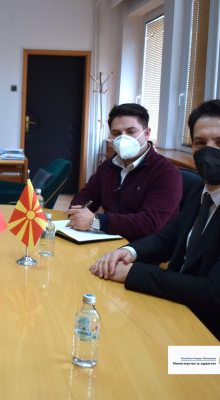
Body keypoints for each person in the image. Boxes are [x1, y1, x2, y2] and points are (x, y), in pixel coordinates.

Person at [89, 99, 220, 339]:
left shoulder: (168, 173)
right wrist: (128, 252)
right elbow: (167, 239)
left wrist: (133, 273)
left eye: (219, 142)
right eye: (200, 143)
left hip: (208, 344)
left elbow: (212, 293)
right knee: (108, 334)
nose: (209, 152)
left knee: (143, 358)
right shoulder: (201, 192)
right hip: (176, 313)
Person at [68, 103, 182, 242]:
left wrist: (96, 222)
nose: (123, 138)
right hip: (108, 238)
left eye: (131, 131)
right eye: (116, 133)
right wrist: (77, 213)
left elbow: (149, 224)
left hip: (144, 247)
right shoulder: (108, 166)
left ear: (147, 133)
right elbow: (86, 195)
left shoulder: (166, 172)